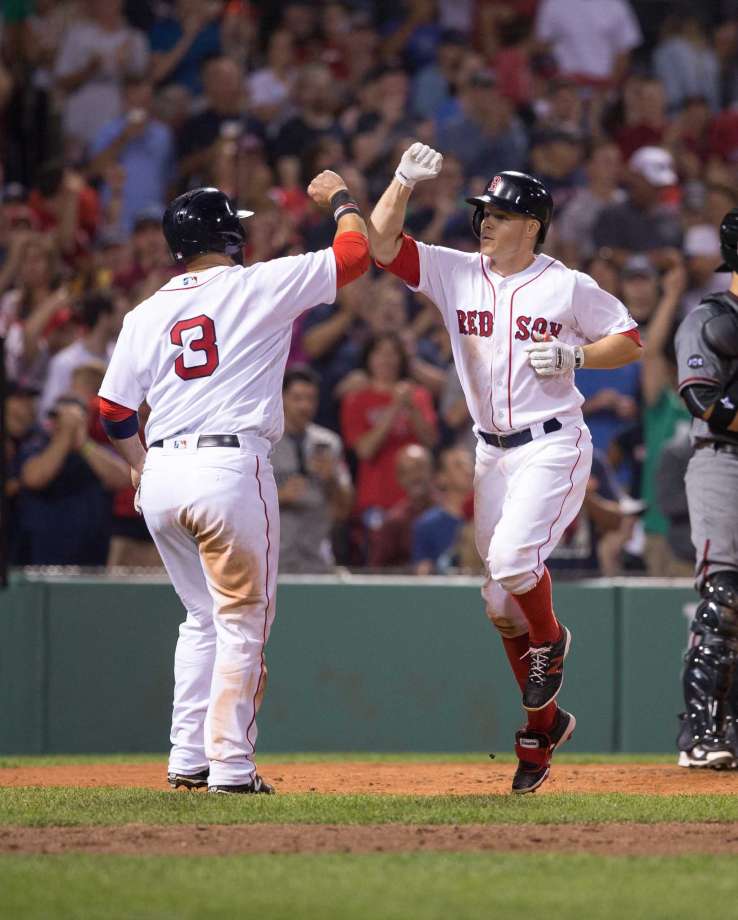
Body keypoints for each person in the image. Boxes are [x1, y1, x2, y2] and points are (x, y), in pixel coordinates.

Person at [369, 143, 641, 793]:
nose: (485, 220)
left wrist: (577, 358)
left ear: (533, 224)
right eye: (483, 211)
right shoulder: (456, 271)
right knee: (498, 604)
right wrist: (402, 182)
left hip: (552, 442)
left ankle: (552, 643)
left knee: (517, 565)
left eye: (499, 212)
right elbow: (381, 248)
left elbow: (628, 339)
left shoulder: (565, 284)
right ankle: (542, 733)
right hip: (490, 451)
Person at [97, 177, 370, 794]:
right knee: (241, 624)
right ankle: (232, 769)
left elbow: (112, 411)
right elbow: (354, 256)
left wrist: (139, 465)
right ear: (230, 235)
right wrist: (344, 201)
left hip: (163, 471)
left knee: (200, 618)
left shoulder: (144, 312)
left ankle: (186, 759)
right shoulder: (256, 285)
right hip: (228, 468)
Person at [674, 207, 738, 769]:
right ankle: (701, 732)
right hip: (724, 461)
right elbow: (704, 403)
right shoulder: (711, 318)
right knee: (724, 599)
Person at [272, 365, 353, 573]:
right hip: (273, 561)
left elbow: (345, 509)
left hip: (316, 560)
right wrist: (279, 496)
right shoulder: (263, 443)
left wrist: (332, 480)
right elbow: (239, 504)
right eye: (297, 398)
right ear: (280, 398)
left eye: (310, 399)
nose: (304, 406)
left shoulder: (329, 443)